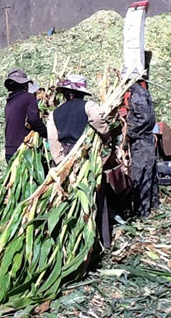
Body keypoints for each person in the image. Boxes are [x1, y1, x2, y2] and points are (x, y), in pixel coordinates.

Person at [47, 74, 111, 246]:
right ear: (79, 92)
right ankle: (102, 242)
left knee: (66, 199)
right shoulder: (88, 106)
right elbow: (97, 119)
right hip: (85, 156)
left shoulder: (55, 113)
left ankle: (67, 242)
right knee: (95, 196)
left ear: (67, 93)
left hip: (65, 157)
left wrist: (61, 161)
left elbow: (53, 139)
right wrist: (106, 135)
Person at [124, 80, 159, 217]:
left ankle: (141, 212)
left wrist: (129, 131)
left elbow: (144, 118)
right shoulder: (142, 92)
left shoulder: (136, 94)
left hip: (141, 140)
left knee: (141, 174)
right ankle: (153, 205)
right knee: (149, 172)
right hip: (146, 138)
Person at [4, 68, 47, 163]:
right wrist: (45, 133)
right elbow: (33, 120)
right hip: (23, 147)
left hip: (9, 148)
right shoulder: (28, 97)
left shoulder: (9, 102)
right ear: (24, 85)